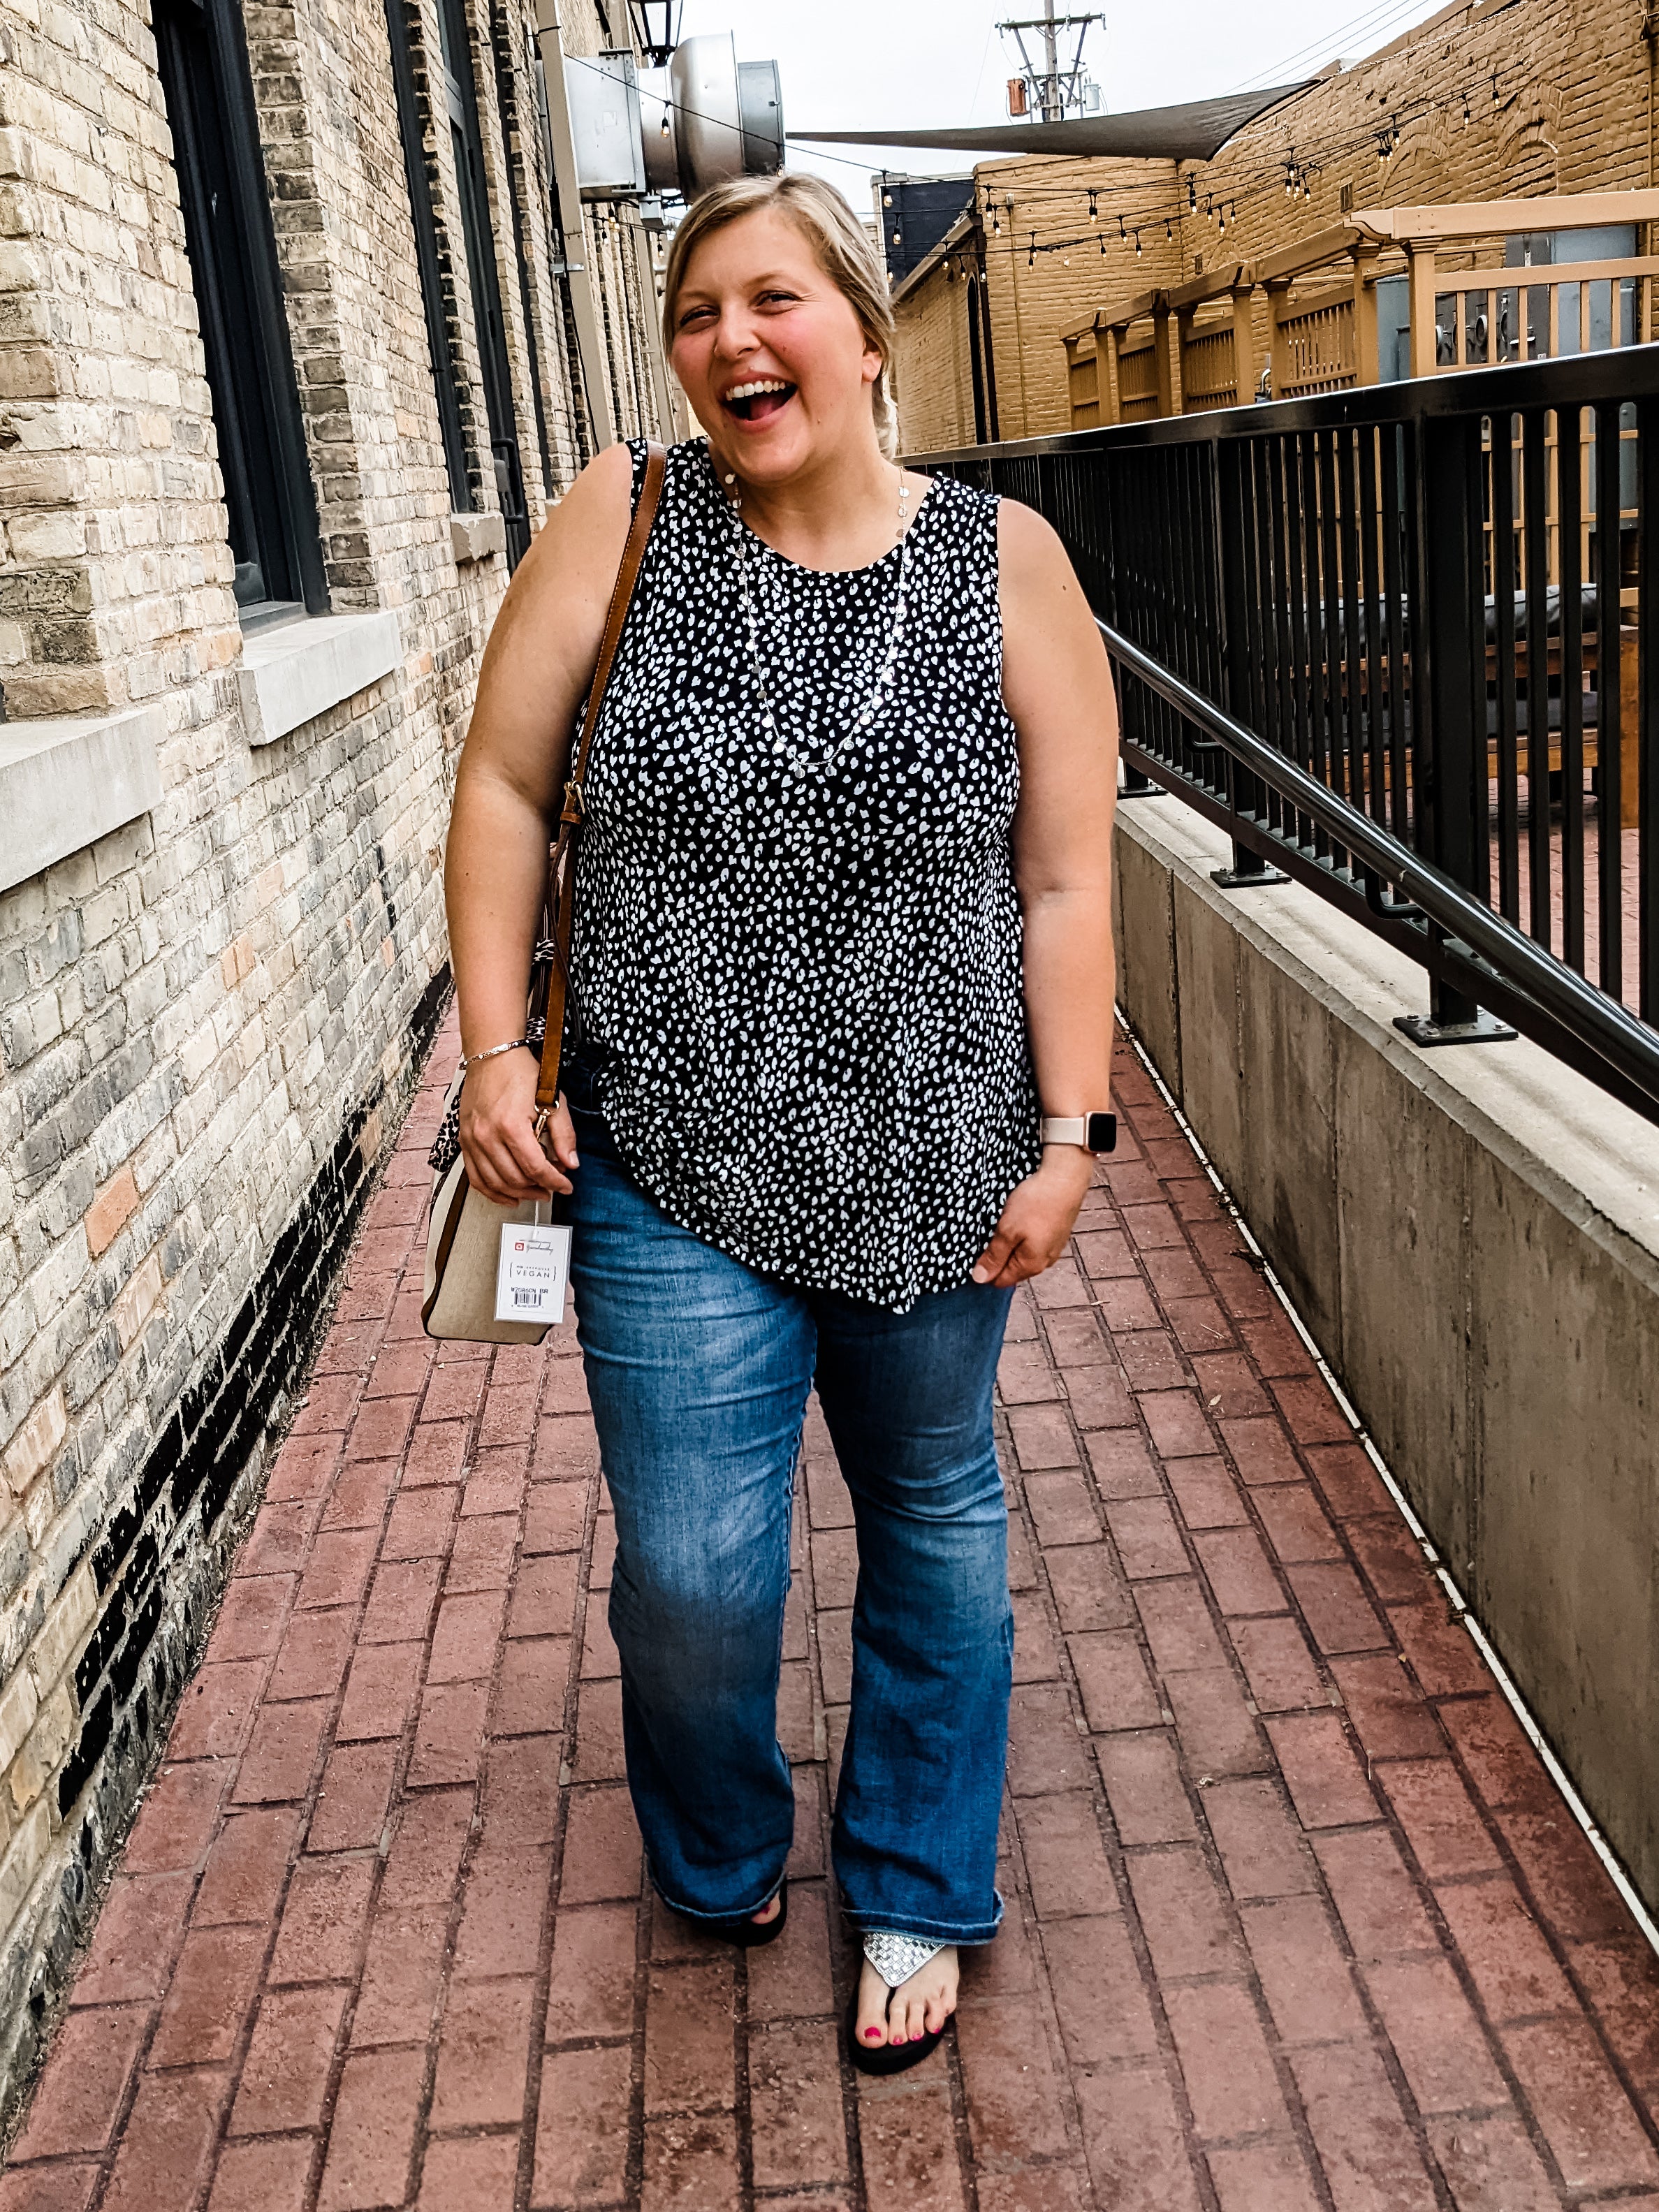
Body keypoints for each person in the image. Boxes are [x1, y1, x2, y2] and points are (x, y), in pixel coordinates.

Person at [443, 171, 1118, 2070]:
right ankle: (722, 1840)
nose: (732, 340)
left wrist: (1072, 1136)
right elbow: (501, 786)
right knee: (697, 1570)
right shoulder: (625, 520)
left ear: (863, 324)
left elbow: (1066, 882)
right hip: (670, 1155)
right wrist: (499, 1054)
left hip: (939, 1151)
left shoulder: (1006, 562)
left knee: (930, 1514)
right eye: (696, 311)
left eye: (774, 299)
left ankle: (914, 1882)